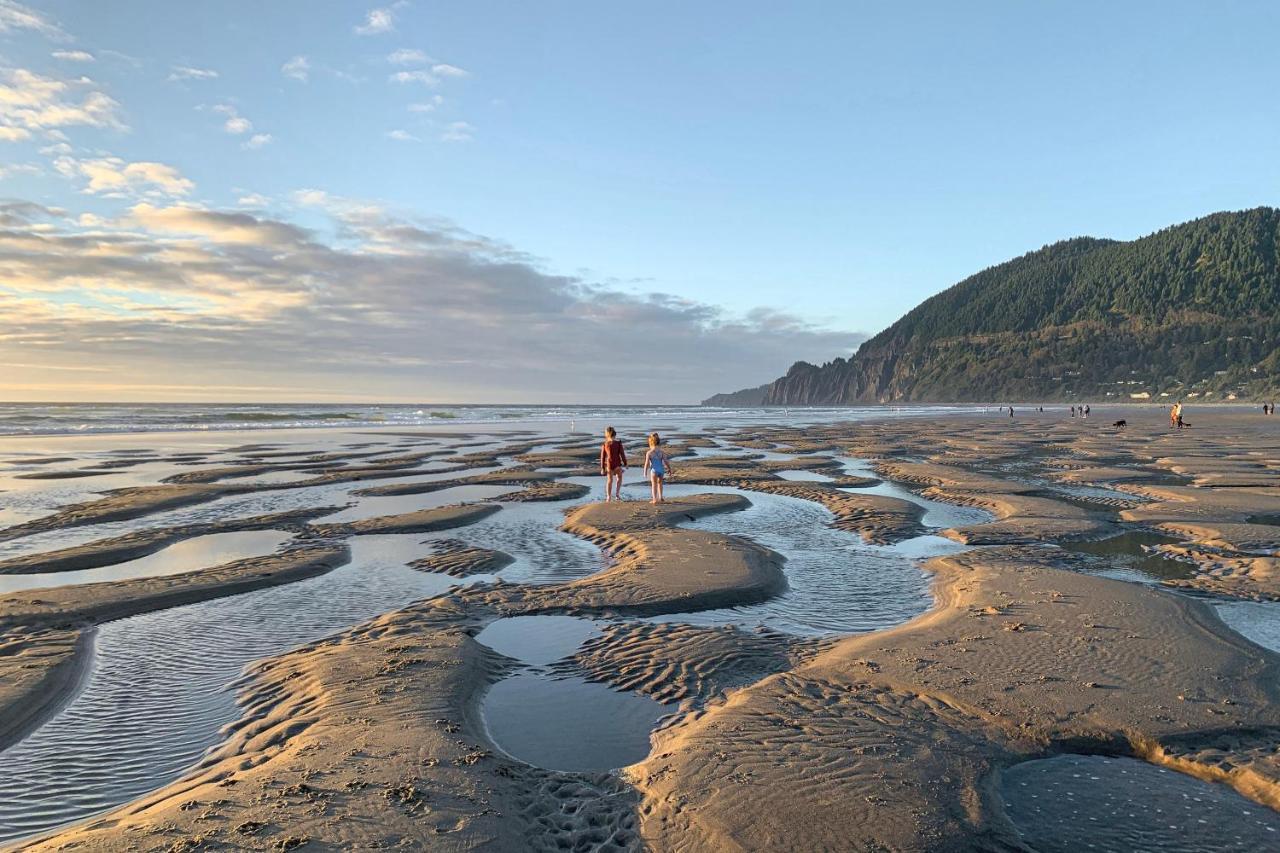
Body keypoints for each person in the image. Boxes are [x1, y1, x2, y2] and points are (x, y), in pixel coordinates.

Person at [599, 426, 627, 502]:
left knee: (609, 481)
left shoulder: (605, 445)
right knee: (619, 478)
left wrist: (602, 468)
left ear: (607, 435)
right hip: (617, 464)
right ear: (615, 435)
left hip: (609, 464)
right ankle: (617, 495)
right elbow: (622, 454)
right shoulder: (618, 443)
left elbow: (602, 457)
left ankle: (608, 497)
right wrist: (625, 463)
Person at [643, 432, 673, 504]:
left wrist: (645, 472)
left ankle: (654, 499)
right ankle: (661, 497)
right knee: (660, 483)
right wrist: (669, 469)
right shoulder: (661, 452)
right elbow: (666, 461)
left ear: (650, 443)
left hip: (654, 470)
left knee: (654, 484)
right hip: (661, 470)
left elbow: (646, 463)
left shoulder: (649, 452)